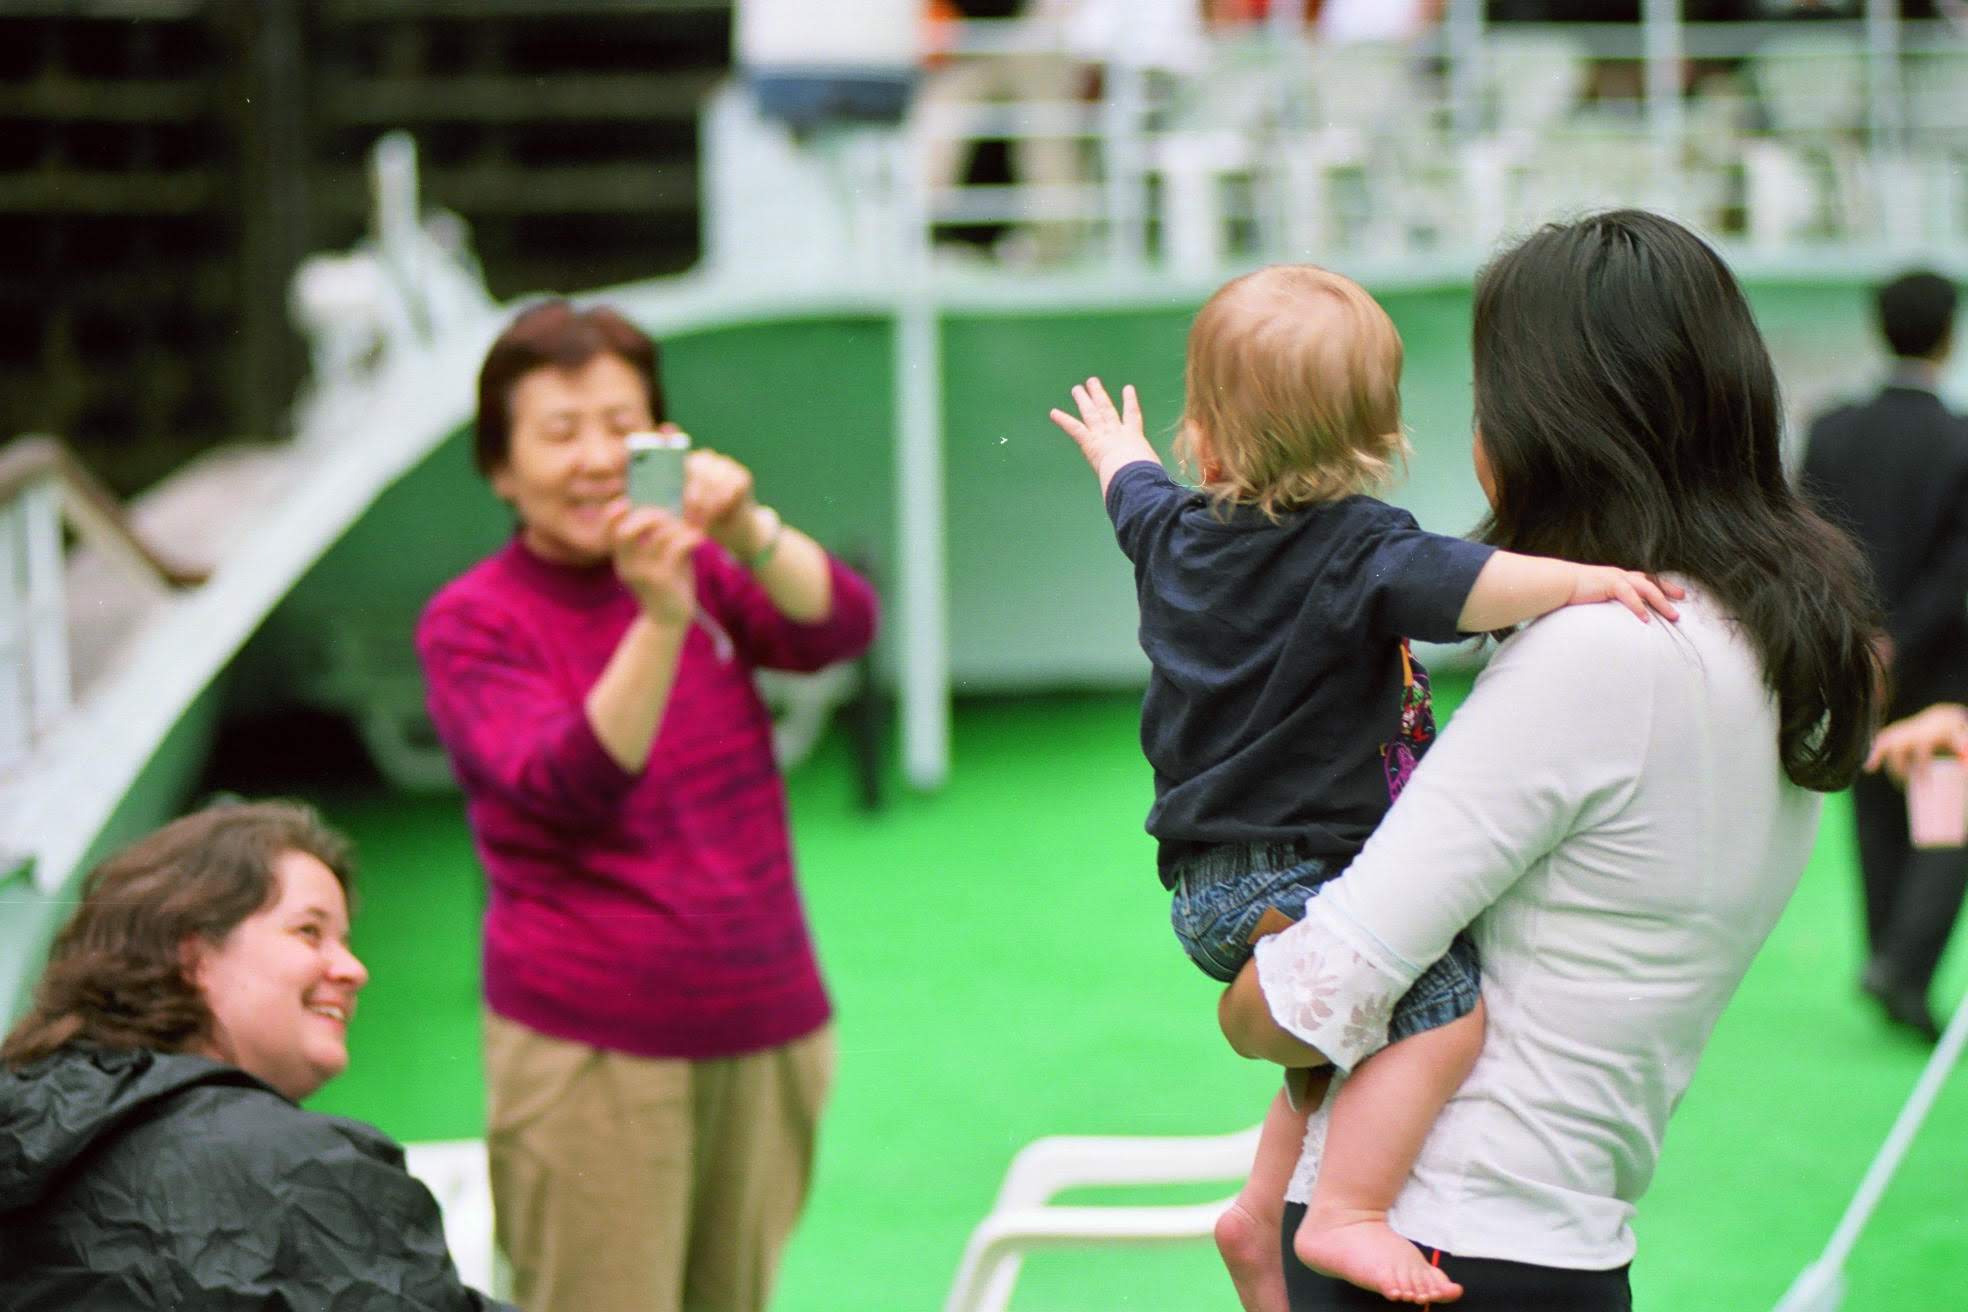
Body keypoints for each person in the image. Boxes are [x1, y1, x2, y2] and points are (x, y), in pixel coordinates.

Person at [1213, 211, 1884, 1309]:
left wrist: (1241, 977)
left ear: (1542, 434)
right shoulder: (1769, 650)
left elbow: (1312, 996)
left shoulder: (1604, 653)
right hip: (1555, 1240)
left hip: (1440, 1236)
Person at [1049, 264, 1681, 1307]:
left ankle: (1260, 1214)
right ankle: (1343, 1212)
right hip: (1296, 880)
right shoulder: (1359, 550)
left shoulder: (1172, 535)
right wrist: (1587, 581)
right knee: (1440, 1011)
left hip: (1210, 887)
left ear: (1203, 436)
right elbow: (1477, 588)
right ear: (1379, 438)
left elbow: (1134, 493)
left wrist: (1119, 450)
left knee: (1348, 1036)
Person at [415, 299, 878, 1312]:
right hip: (591, 1046)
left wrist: (747, 527)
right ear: (500, 468)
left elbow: (839, 626)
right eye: (560, 431)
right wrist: (660, 618)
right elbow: (568, 785)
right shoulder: (473, 620)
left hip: (767, 1022)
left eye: (621, 426)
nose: (595, 458)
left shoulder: (702, 562)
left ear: (663, 440)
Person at [0, 800, 513, 1312]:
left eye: (344, 941)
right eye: (309, 932)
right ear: (193, 956)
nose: (354, 969)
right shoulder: (301, 1170)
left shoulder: (30, 1133)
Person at [1803, 269, 1968, 1043]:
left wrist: (1862, 634)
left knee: (1871, 801)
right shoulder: (1960, 438)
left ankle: (1884, 957)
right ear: (1948, 334)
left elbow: (1807, 539)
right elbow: (1960, 567)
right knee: (1946, 813)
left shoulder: (1831, 431)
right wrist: (1901, 636)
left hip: (1851, 653)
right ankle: (1905, 965)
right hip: (1942, 661)